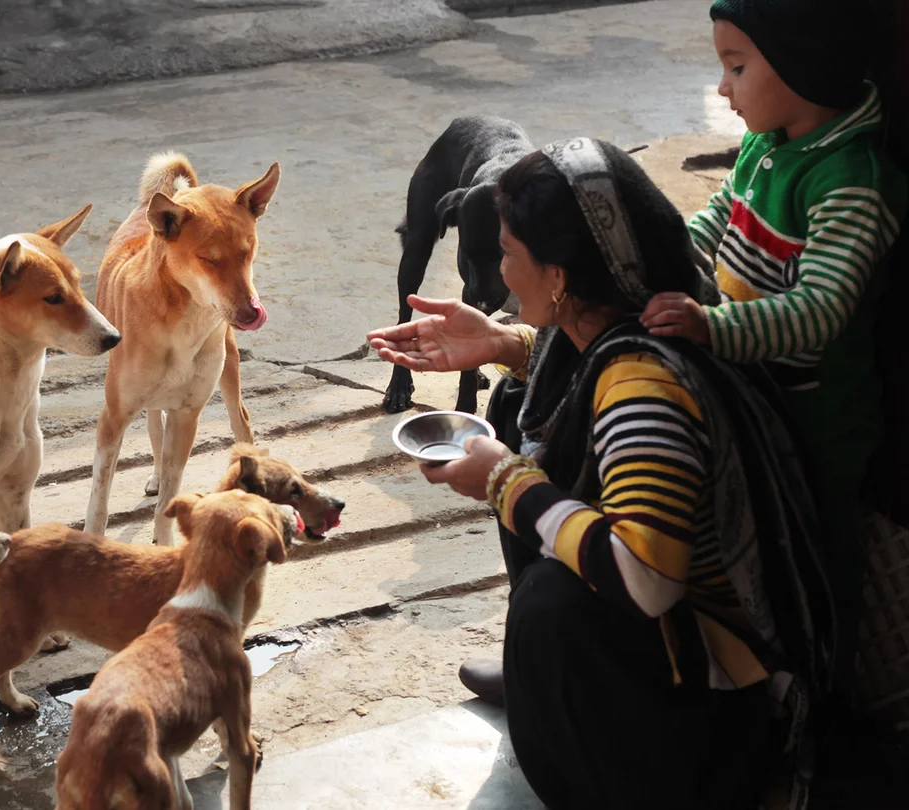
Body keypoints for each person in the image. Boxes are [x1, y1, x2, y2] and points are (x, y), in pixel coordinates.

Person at [368, 139, 832, 809]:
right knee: (513, 402)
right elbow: (570, 372)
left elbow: (646, 581)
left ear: (559, 276)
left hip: (720, 708)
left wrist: (505, 483)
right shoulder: (622, 320)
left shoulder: (643, 386)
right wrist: (501, 343)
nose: (499, 271)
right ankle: (555, 692)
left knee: (551, 609)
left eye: (508, 254)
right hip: (681, 655)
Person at [638, 0, 908, 687]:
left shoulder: (851, 181)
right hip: (757, 390)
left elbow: (821, 310)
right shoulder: (767, 143)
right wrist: (664, 265)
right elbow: (713, 225)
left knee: (817, 556)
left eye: (735, 66)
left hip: (819, 423)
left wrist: (712, 326)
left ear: (803, 63)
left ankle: (823, 686)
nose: (721, 89)